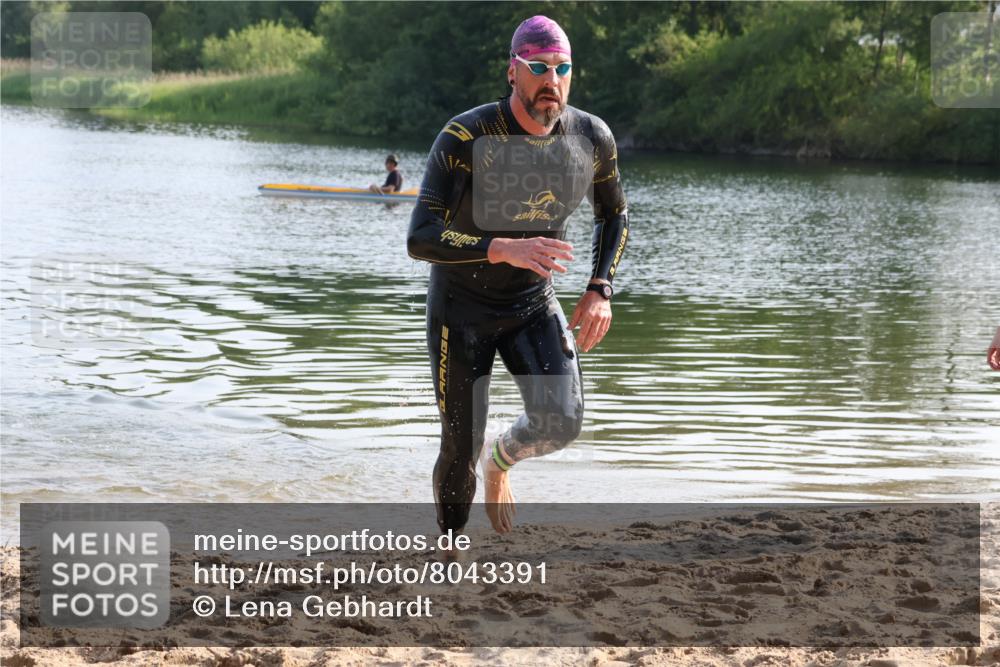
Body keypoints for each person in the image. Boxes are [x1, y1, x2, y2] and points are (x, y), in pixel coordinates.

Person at [407, 16, 629, 540]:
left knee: (563, 422)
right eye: (538, 67)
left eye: (562, 68)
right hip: (460, 310)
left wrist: (600, 287)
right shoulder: (467, 135)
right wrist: (501, 247)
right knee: (460, 446)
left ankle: (501, 460)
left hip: (531, 304)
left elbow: (614, 214)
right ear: (513, 72)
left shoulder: (590, 137)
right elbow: (420, 237)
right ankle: (450, 552)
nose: (551, 79)